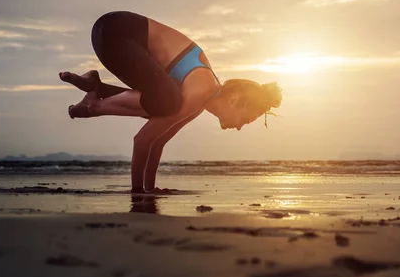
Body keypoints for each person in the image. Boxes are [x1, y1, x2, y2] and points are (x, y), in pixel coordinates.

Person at [59, 11, 282, 193]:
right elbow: (142, 140)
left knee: (161, 106)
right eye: (245, 119)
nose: (240, 126)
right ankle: (94, 105)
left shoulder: (199, 100)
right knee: (167, 103)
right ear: (234, 101)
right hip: (116, 33)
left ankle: (97, 88)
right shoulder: (201, 90)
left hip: (109, 33)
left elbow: (158, 142)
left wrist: (150, 188)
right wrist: (137, 193)